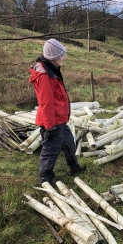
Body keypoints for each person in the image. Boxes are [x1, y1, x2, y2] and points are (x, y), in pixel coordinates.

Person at [29, 38, 85, 185]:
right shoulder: (45, 75)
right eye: (61, 55)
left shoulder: (52, 69)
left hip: (59, 118)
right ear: (53, 57)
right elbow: (46, 103)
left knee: (68, 143)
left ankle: (74, 167)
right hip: (51, 121)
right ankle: (46, 178)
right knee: (51, 149)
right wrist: (49, 126)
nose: (63, 57)